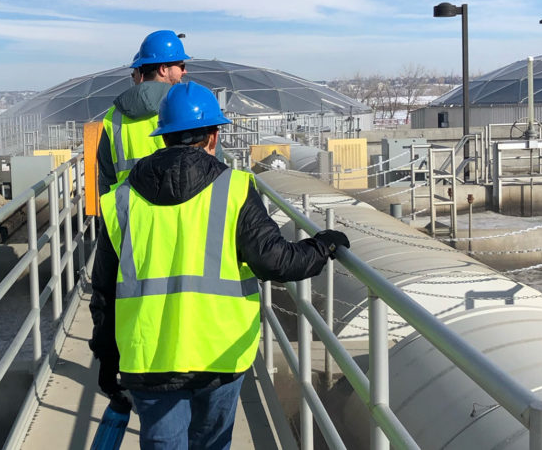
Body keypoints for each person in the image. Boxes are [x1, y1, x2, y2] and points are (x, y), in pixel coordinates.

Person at [90, 81, 350, 450]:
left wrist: (106, 358)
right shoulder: (234, 189)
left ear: (162, 137)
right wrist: (322, 246)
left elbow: (103, 290)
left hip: (148, 358)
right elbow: (276, 261)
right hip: (219, 352)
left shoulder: (120, 201)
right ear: (213, 136)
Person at [97, 30, 189, 199]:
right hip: (183, 209)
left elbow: (106, 179)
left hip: (131, 211)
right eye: (181, 66)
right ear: (163, 69)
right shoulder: (188, 105)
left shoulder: (113, 116)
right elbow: (211, 166)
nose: (185, 71)